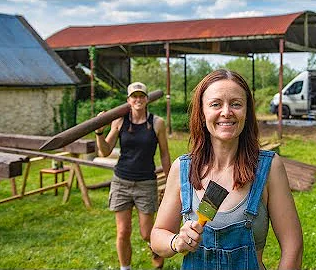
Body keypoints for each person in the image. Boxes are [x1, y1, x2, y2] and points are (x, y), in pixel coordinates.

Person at [150, 69, 303, 269]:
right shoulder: (183, 168)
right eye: (216, 104)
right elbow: (157, 235)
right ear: (202, 112)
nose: (226, 112)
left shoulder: (269, 167)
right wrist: (176, 241)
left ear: (247, 112)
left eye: (236, 104)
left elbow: (293, 246)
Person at [95, 82, 171, 270]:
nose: (138, 99)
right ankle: (125, 267)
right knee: (123, 232)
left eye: (141, 96)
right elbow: (105, 151)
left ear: (147, 99)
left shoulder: (157, 123)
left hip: (146, 182)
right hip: (121, 181)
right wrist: (99, 132)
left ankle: (154, 249)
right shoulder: (120, 121)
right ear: (128, 100)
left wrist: (170, 181)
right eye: (134, 96)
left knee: (146, 233)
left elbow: (164, 154)